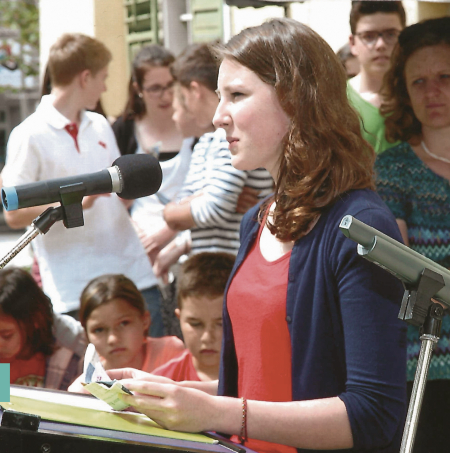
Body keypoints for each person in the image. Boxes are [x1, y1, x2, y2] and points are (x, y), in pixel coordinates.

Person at [108, 19, 407, 453]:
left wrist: (214, 412)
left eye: (237, 95)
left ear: (296, 100)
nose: (217, 115)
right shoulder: (257, 219)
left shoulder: (360, 224)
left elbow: (372, 413)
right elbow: (256, 389)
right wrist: (168, 394)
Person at [0, 34, 163, 337]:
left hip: (133, 273)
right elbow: (12, 213)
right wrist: (73, 202)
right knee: (95, 384)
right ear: (85, 77)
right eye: (103, 78)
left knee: (155, 374)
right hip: (75, 288)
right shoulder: (28, 135)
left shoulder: (99, 124)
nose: (104, 87)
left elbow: (118, 190)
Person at [375, 17, 450, 452]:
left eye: (444, 77)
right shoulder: (394, 169)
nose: (432, 91)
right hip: (425, 370)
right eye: (418, 81)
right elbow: (405, 271)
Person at [151, 43, 274, 281]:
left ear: (195, 90)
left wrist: (172, 213)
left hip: (230, 270)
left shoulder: (226, 141)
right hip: (212, 269)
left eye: (183, 97)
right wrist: (205, 197)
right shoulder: (207, 142)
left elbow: (215, 208)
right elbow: (204, 202)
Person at [112, 45, 195, 266]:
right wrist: (140, 235)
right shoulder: (124, 129)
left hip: (187, 242)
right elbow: (113, 195)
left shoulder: (194, 124)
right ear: (138, 88)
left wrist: (164, 236)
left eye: (170, 85)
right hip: (136, 246)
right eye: (155, 88)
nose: (165, 95)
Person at [67, 274, 185, 393]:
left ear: (145, 320)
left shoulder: (170, 352)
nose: (112, 339)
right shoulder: (87, 386)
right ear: (86, 333)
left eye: (123, 323)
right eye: (99, 330)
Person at [0, 267, 87, 390]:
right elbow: (3, 401)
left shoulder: (73, 345)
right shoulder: (3, 360)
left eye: (6, 335)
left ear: (35, 319)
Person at [152, 252, 235, 382]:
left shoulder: (264, 377)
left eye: (221, 324)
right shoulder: (162, 383)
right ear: (179, 318)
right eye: (196, 324)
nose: (207, 337)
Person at [348, 1, 405, 153]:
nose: (380, 44)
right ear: (352, 43)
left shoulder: (421, 95)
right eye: (369, 36)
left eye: (391, 34)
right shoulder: (336, 100)